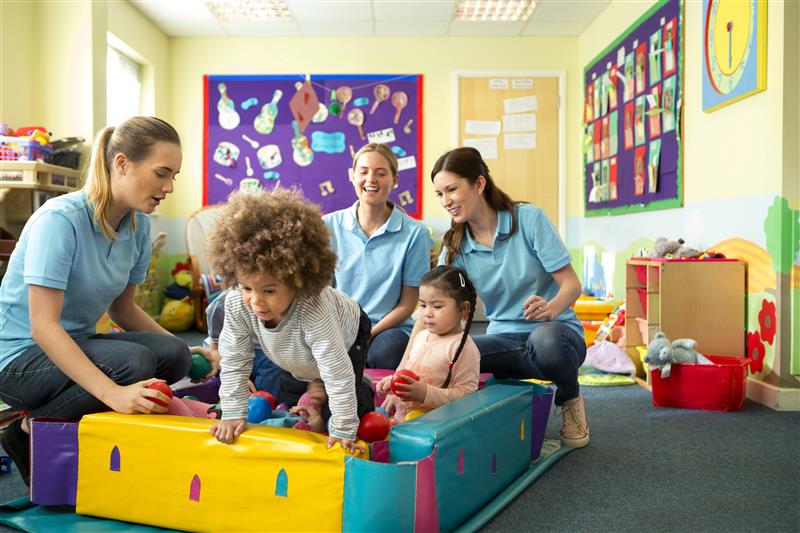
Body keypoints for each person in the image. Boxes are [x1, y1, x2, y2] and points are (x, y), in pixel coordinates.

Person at [0, 117, 214, 485]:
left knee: (174, 355)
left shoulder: (139, 226)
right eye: (161, 173)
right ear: (122, 164)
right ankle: (28, 429)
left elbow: (123, 309)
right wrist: (112, 393)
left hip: (77, 343)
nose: (168, 187)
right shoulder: (60, 221)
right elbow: (44, 326)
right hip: (18, 357)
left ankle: (78, 417)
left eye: (173, 177)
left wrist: (188, 349)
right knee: (133, 363)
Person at [429, 147, 589, 448]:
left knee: (546, 341)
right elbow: (435, 301)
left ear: (478, 184)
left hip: (557, 337)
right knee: (450, 353)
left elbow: (571, 284)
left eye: (452, 189)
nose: (446, 201)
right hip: (503, 341)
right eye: (439, 194)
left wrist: (551, 308)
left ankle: (570, 397)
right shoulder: (456, 244)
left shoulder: (529, 219)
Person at [206, 189, 374, 453]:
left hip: (346, 335)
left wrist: (343, 429)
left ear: (297, 281)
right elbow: (234, 359)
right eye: (247, 288)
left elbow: (336, 371)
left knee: (341, 406)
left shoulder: (313, 307)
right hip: (292, 349)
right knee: (287, 399)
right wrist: (232, 411)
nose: (256, 301)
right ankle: (310, 383)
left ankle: (363, 387)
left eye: (269, 290)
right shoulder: (237, 302)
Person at [323, 143, 432, 370]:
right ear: (352, 176)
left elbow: (408, 303)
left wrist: (368, 334)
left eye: (381, 173)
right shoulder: (328, 226)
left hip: (387, 330)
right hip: (338, 327)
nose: (371, 179)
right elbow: (323, 292)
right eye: (363, 172)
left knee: (389, 350)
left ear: (395, 179)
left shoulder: (415, 233)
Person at [377, 265, 480, 423]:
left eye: (437, 306)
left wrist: (426, 394)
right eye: (423, 305)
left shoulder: (463, 347)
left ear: (463, 308)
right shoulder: (421, 337)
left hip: (435, 431)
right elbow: (411, 372)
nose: (427, 313)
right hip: (401, 423)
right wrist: (392, 383)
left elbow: (467, 397)